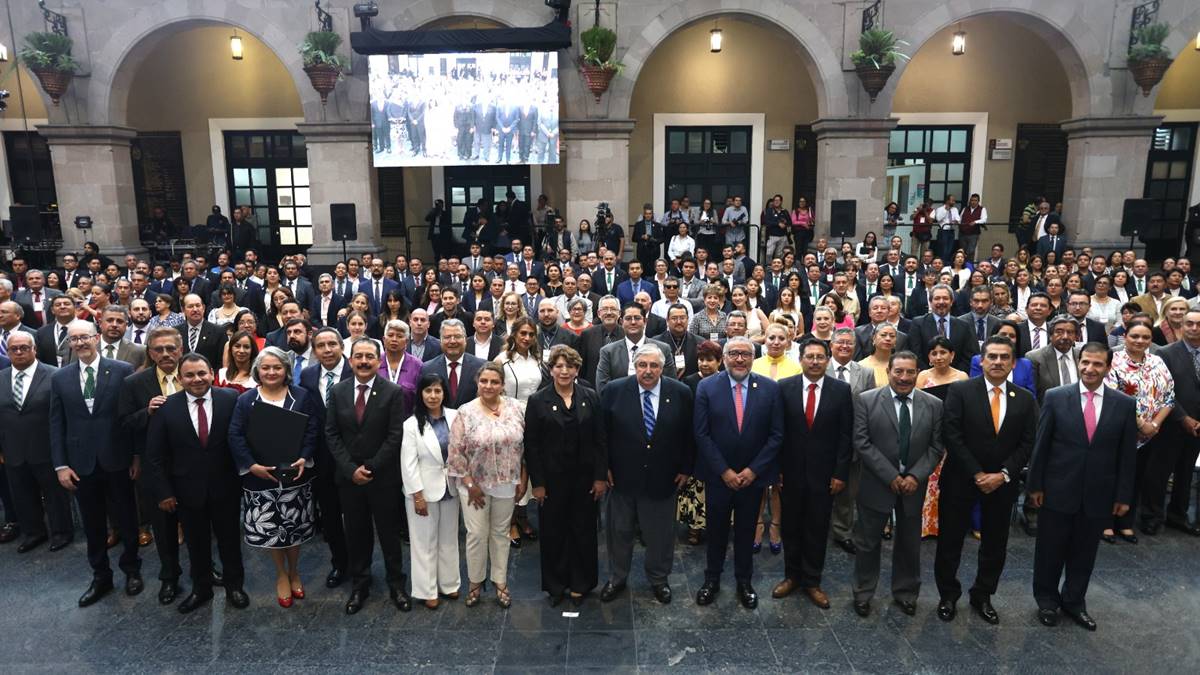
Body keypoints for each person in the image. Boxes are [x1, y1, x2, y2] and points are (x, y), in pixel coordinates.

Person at [1029, 342, 1137, 631]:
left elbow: (1127, 454)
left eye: (1097, 364)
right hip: (1057, 487)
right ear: (1079, 363)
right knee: (1050, 550)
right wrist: (1035, 485)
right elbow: (1042, 445)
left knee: (1084, 552)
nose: (1090, 369)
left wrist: (1123, 495)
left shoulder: (1124, 404)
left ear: (1107, 367)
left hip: (1099, 493)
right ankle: (1047, 601)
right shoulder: (1056, 397)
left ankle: (1074, 601)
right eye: (1085, 362)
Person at [935, 337, 1037, 624]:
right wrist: (978, 474)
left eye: (1005, 357)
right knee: (950, 541)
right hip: (961, 479)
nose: (998, 362)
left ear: (1013, 363)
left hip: (1002, 484)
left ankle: (983, 594)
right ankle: (947, 595)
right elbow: (951, 434)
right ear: (981, 360)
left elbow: (1028, 442)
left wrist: (1003, 474)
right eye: (992, 356)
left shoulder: (1025, 399)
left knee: (995, 544)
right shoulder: (960, 391)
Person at [142, 354, 249, 613]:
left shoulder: (230, 400)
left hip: (226, 487)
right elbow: (155, 456)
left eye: (201, 373)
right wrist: (164, 492)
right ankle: (201, 589)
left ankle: (235, 586)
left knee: (230, 540)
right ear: (180, 379)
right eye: (189, 375)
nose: (196, 379)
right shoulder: (166, 408)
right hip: (186, 490)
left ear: (211, 372)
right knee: (196, 543)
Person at [50, 320, 141, 606]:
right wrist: (60, 465)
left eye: (85, 337)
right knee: (92, 524)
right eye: (74, 339)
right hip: (80, 463)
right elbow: (56, 424)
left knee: (127, 518)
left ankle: (132, 570)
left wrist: (136, 455)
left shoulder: (122, 371)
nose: (80, 343)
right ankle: (101, 575)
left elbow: (131, 419)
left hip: (117, 458)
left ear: (97, 338)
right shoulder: (60, 378)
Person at [593, 345, 693, 606]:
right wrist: (604, 468)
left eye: (654, 366)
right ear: (634, 366)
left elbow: (689, 435)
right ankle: (617, 578)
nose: (648, 371)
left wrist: (685, 468)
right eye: (642, 365)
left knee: (661, 535)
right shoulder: (613, 391)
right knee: (619, 531)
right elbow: (601, 435)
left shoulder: (680, 392)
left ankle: (659, 579)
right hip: (622, 479)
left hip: (663, 478)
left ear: (662, 368)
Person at [851, 350, 944, 618]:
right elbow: (862, 442)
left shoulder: (934, 404)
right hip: (876, 483)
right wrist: (891, 476)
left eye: (910, 372)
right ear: (889, 371)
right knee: (868, 543)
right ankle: (863, 592)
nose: (904, 377)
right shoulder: (867, 401)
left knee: (909, 542)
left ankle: (906, 593)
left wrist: (915, 476)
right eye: (898, 371)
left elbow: (937, 446)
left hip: (914, 486)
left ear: (918, 373)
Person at [693, 337, 784, 609]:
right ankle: (712, 580)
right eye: (733, 353)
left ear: (753, 357)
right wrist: (724, 471)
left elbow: (776, 435)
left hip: (752, 478)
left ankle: (744, 581)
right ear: (724, 357)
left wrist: (753, 471)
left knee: (746, 531)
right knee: (716, 530)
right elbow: (701, 433)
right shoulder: (707, 387)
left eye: (745, 354)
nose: (740, 359)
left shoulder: (769, 388)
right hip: (719, 476)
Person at [323, 337, 411, 614]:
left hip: (382, 478)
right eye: (358, 356)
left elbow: (395, 435)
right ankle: (360, 584)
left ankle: (396, 584)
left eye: (369, 357)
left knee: (388, 534)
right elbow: (332, 433)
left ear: (378, 361)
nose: (363, 361)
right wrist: (351, 469)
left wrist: (370, 467)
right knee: (357, 534)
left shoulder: (393, 392)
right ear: (350, 361)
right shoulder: (337, 391)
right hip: (349, 480)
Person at [228, 347, 319, 609]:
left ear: (286, 370)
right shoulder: (246, 400)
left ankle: (295, 571)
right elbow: (235, 435)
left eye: (277, 367)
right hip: (260, 477)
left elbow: (312, 429)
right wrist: (251, 465)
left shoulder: (301, 396)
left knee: (293, 528)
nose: (271, 372)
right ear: (258, 370)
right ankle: (281, 573)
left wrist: (304, 456)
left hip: (294, 475)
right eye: (266, 368)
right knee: (272, 531)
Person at [771, 338, 853, 609]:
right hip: (790, 474)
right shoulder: (784, 388)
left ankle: (812, 581)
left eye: (820, 357)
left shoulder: (841, 391)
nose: (815, 361)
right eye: (810, 357)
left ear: (828, 360)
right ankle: (791, 576)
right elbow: (777, 434)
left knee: (817, 528)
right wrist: (777, 470)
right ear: (801, 359)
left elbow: (845, 436)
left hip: (825, 476)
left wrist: (840, 473)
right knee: (791, 527)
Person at [524, 346, 607, 606]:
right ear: (551, 369)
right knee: (553, 532)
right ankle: (556, 585)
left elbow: (600, 440)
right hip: (551, 482)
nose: (564, 371)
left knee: (583, 531)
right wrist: (537, 484)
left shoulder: (591, 397)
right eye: (558, 366)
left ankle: (581, 583)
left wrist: (599, 477)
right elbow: (532, 446)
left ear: (577, 370)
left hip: (585, 480)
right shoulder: (538, 400)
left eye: (569, 366)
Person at [447, 362, 527, 609]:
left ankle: (500, 582)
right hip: (474, 487)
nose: (489, 386)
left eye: (494, 382)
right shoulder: (465, 412)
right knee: (476, 536)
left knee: (500, 534)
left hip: (507, 483)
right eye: (484, 381)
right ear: (477, 383)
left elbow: (527, 447)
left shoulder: (517, 408)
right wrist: (470, 484)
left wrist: (523, 478)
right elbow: (455, 452)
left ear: (503, 384)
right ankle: (475, 582)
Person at [117, 327, 187, 605]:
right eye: (159, 349)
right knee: (164, 527)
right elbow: (123, 423)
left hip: (193, 465)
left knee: (196, 524)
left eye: (171, 348)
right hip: (156, 469)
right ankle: (169, 577)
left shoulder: (194, 374)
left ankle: (205, 568)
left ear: (180, 350)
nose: (166, 354)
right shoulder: (135, 383)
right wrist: (146, 412)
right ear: (150, 352)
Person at [1101, 321, 1173, 543]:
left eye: (1145, 337)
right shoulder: (1113, 360)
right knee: (1112, 477)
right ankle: (1106, 523)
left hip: (1151, 434)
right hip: (1119, 431)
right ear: (1125, 336)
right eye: (1135, 336)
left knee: (1136, 477)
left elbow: (1169, 395)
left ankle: (1125, 523)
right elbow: (1111, 394)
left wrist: (1155, 425)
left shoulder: (1157, 361)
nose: (1140, 341)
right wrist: (1141, 424)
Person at [0, 332, 73, 552]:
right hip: (13, 448)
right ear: (8, 352)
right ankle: (34, 532)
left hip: (47, 448)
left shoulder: (55, 376)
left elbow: (65, 415)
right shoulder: (0, 377)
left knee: (55, 495)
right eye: (14, 349)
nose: (19, 352)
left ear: (34, 349)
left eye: (24, 347)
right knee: (22, 494)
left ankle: (62, 532)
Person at [297, 328, 351, 589]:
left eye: (332, 344)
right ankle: (339, 563)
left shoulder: (357, 370)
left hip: (353, 456)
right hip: (320, 458)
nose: (327, 350)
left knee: (356, 515)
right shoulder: (307, 375)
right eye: (321, 346)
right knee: (329, 516)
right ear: (314, 350)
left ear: (342, 347)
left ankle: (361, 563)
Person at [401, 373, 460, 610]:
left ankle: (449, 583)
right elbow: (408, 463)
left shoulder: (456, 417)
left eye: (437, 391)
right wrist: (417, 495)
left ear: (444, 393)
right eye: (428, 391)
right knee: (423, 542)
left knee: (449, 539)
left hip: (451, 488)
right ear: (420, 394)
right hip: (423, 491)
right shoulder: (411, 424)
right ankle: (427, 589)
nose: (433, 396)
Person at [915, 337, 969, 539]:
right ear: (929, 357)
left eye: (943, 352)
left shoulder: (962, 377)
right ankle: (925, 526)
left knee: (950, 482)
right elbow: (917, 406)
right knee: (927, 480)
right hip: (928, 436)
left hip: (953, 437)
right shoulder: (922, 376)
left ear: (952, 355)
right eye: (934, 353)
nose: (939, 357)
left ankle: (946, 525)